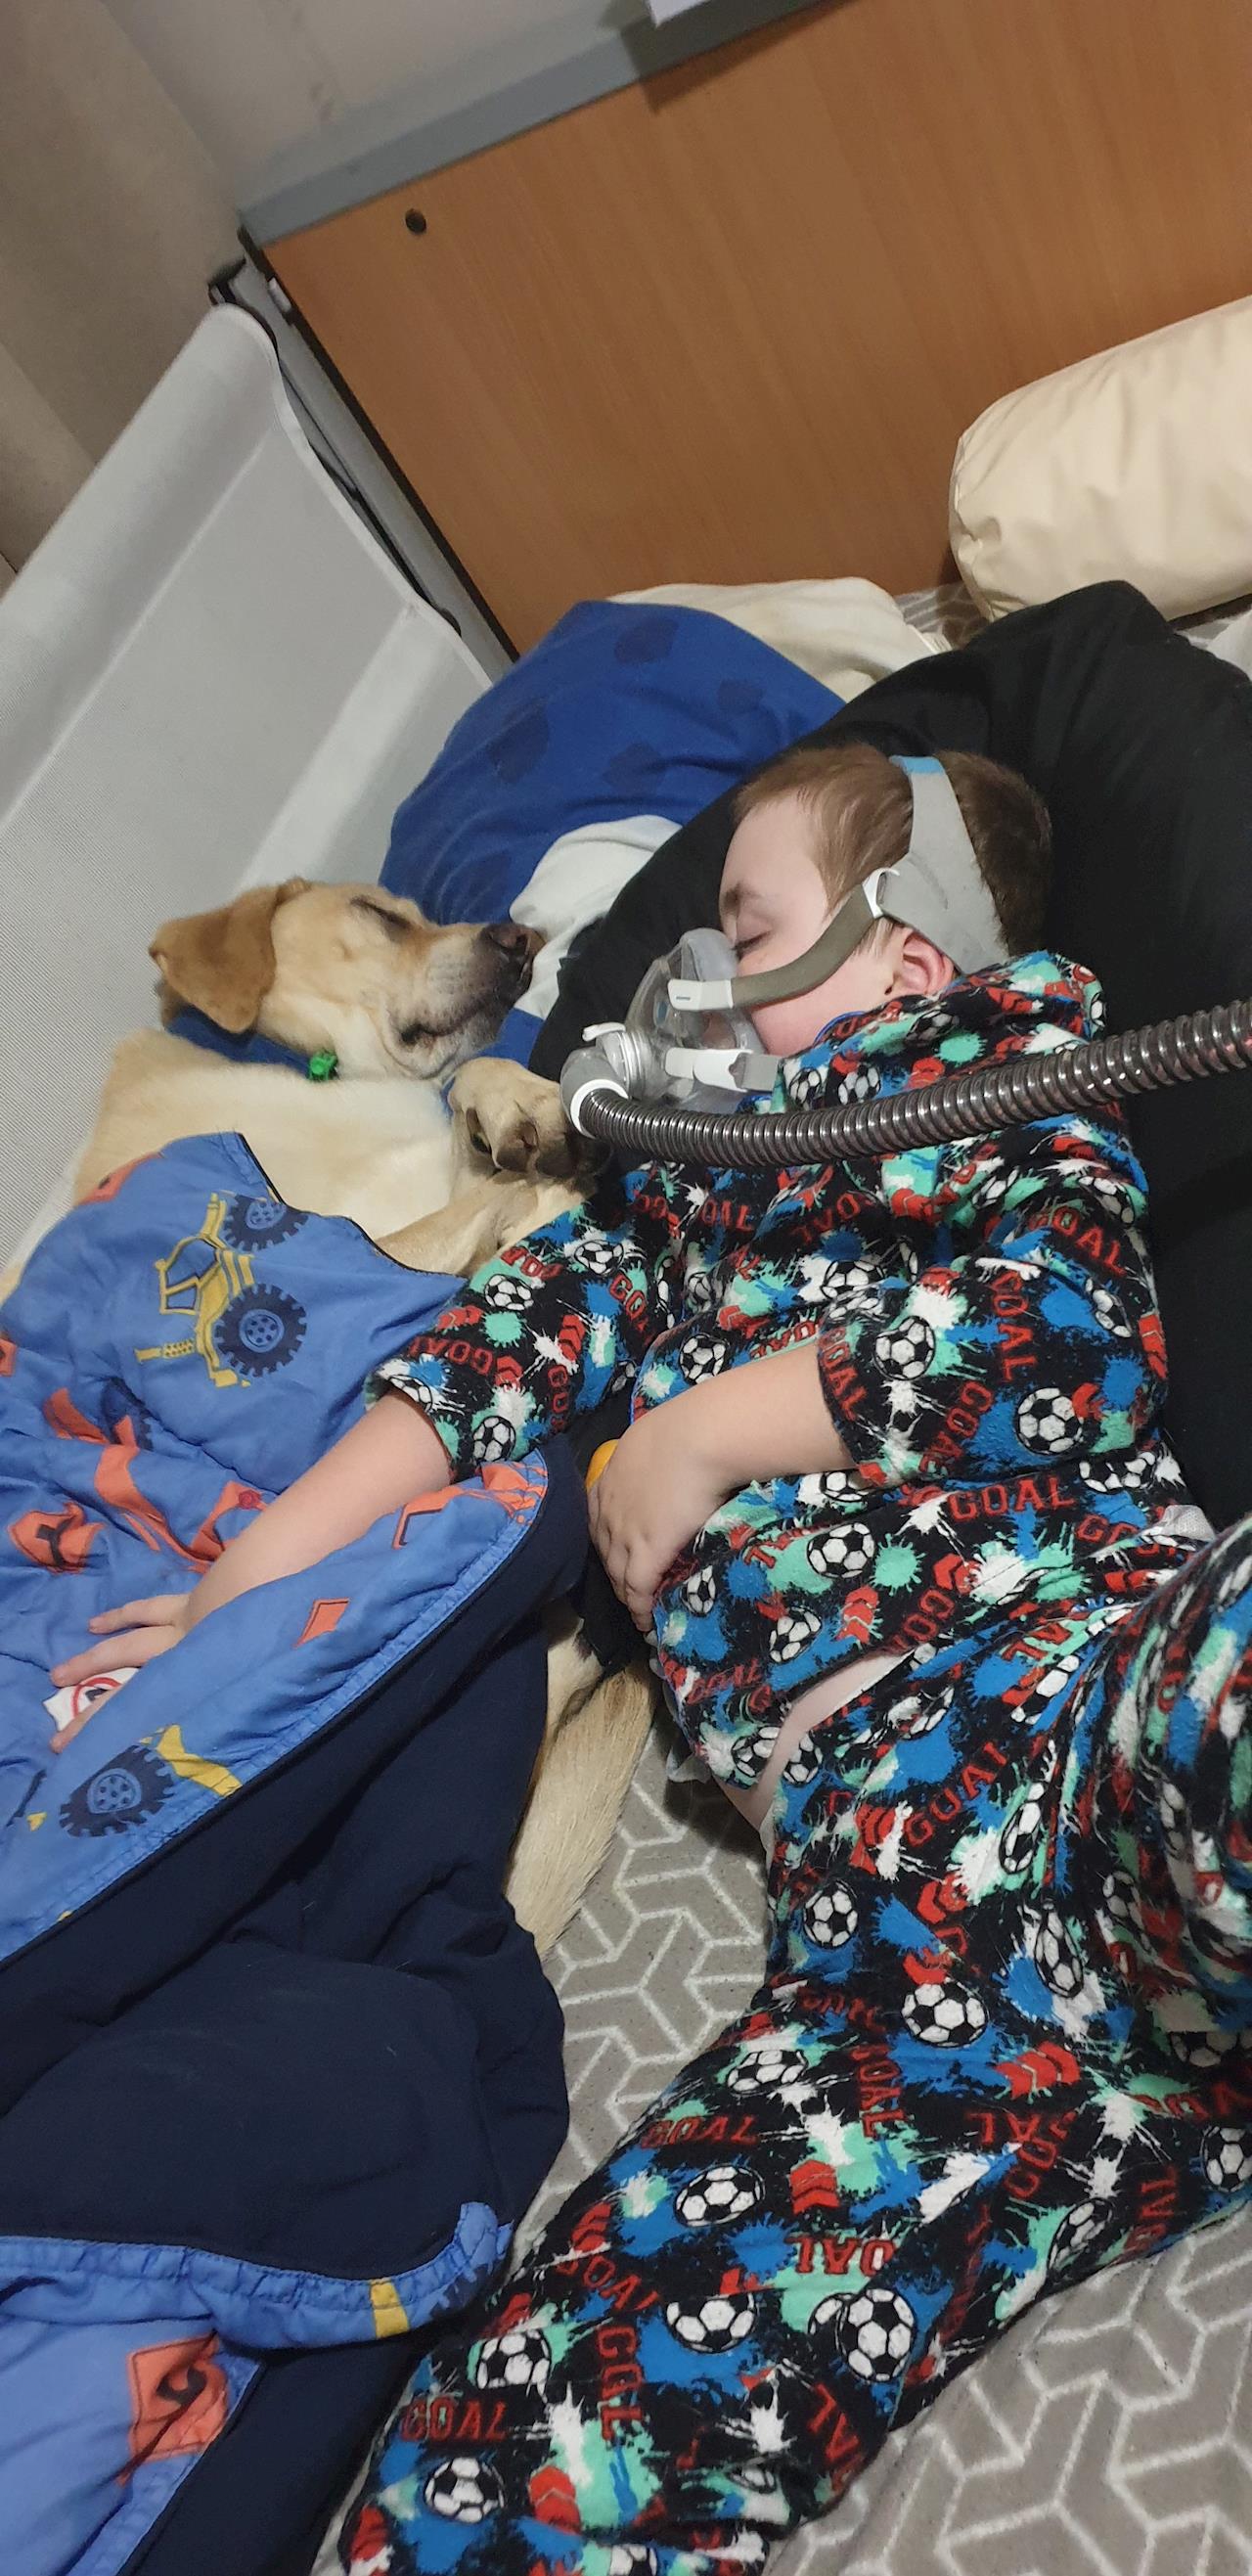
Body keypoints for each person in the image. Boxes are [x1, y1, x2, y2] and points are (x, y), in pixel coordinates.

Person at [56, 744, 1252, 2572]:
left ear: (902, 955)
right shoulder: (671, 1214)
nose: (703, 979)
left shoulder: (1001, 1081)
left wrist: (697, 1433)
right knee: (507, 2463)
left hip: (1089, 1719)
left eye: (748, 931)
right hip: (908, 1956)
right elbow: (487, 1371)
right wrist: (248, 1590)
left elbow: (1063, 1333)